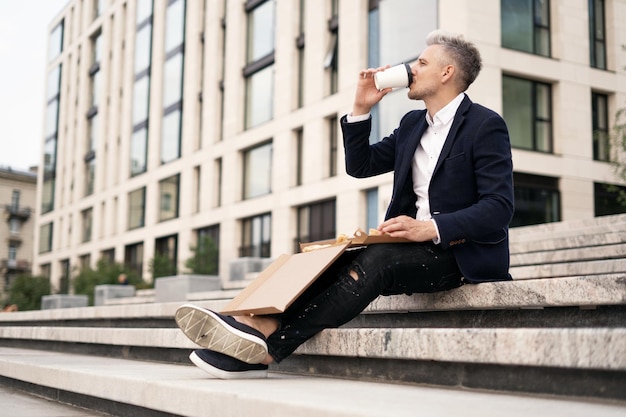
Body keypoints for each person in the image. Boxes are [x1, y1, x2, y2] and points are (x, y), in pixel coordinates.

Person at [175, 30, 514, 379]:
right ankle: (252, 323)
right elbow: (361, 165)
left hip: (461, 255)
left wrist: (428, 228)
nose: (411, 69)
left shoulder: (485, 125)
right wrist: (360, 108)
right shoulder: (413, 124)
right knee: (335, 259)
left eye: (422, 62)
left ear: (447, 73)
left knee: (376, 260)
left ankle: (268, 347)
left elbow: (499, 207)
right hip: (414, 247)